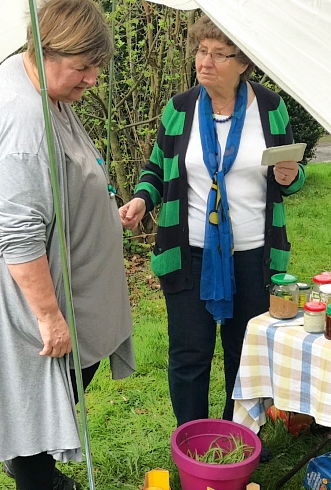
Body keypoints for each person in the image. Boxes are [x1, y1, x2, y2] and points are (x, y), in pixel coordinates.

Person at [0, 0, 135, 490]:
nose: (92, 79)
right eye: (83, 67)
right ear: (45, 52)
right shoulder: (25, 124)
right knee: (34, 388)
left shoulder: (31, 75)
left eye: (97, 67)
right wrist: (49, 317)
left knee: (59, 382)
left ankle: (37, 461)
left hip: (38, 266)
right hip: (11, 278)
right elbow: (19, 232)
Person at [119, 15, 304, 430]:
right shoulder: (179, 108)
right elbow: (156, 168)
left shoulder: (270, 108)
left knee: (245, 353)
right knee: (189, 353)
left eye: (220, 54)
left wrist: (291, 176)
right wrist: (141, 199)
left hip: (254, 253)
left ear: (243, 63)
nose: (205, 62)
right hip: (190, 252)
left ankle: (237, 436)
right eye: (202, 51)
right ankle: (192, 438)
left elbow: (291, 172)